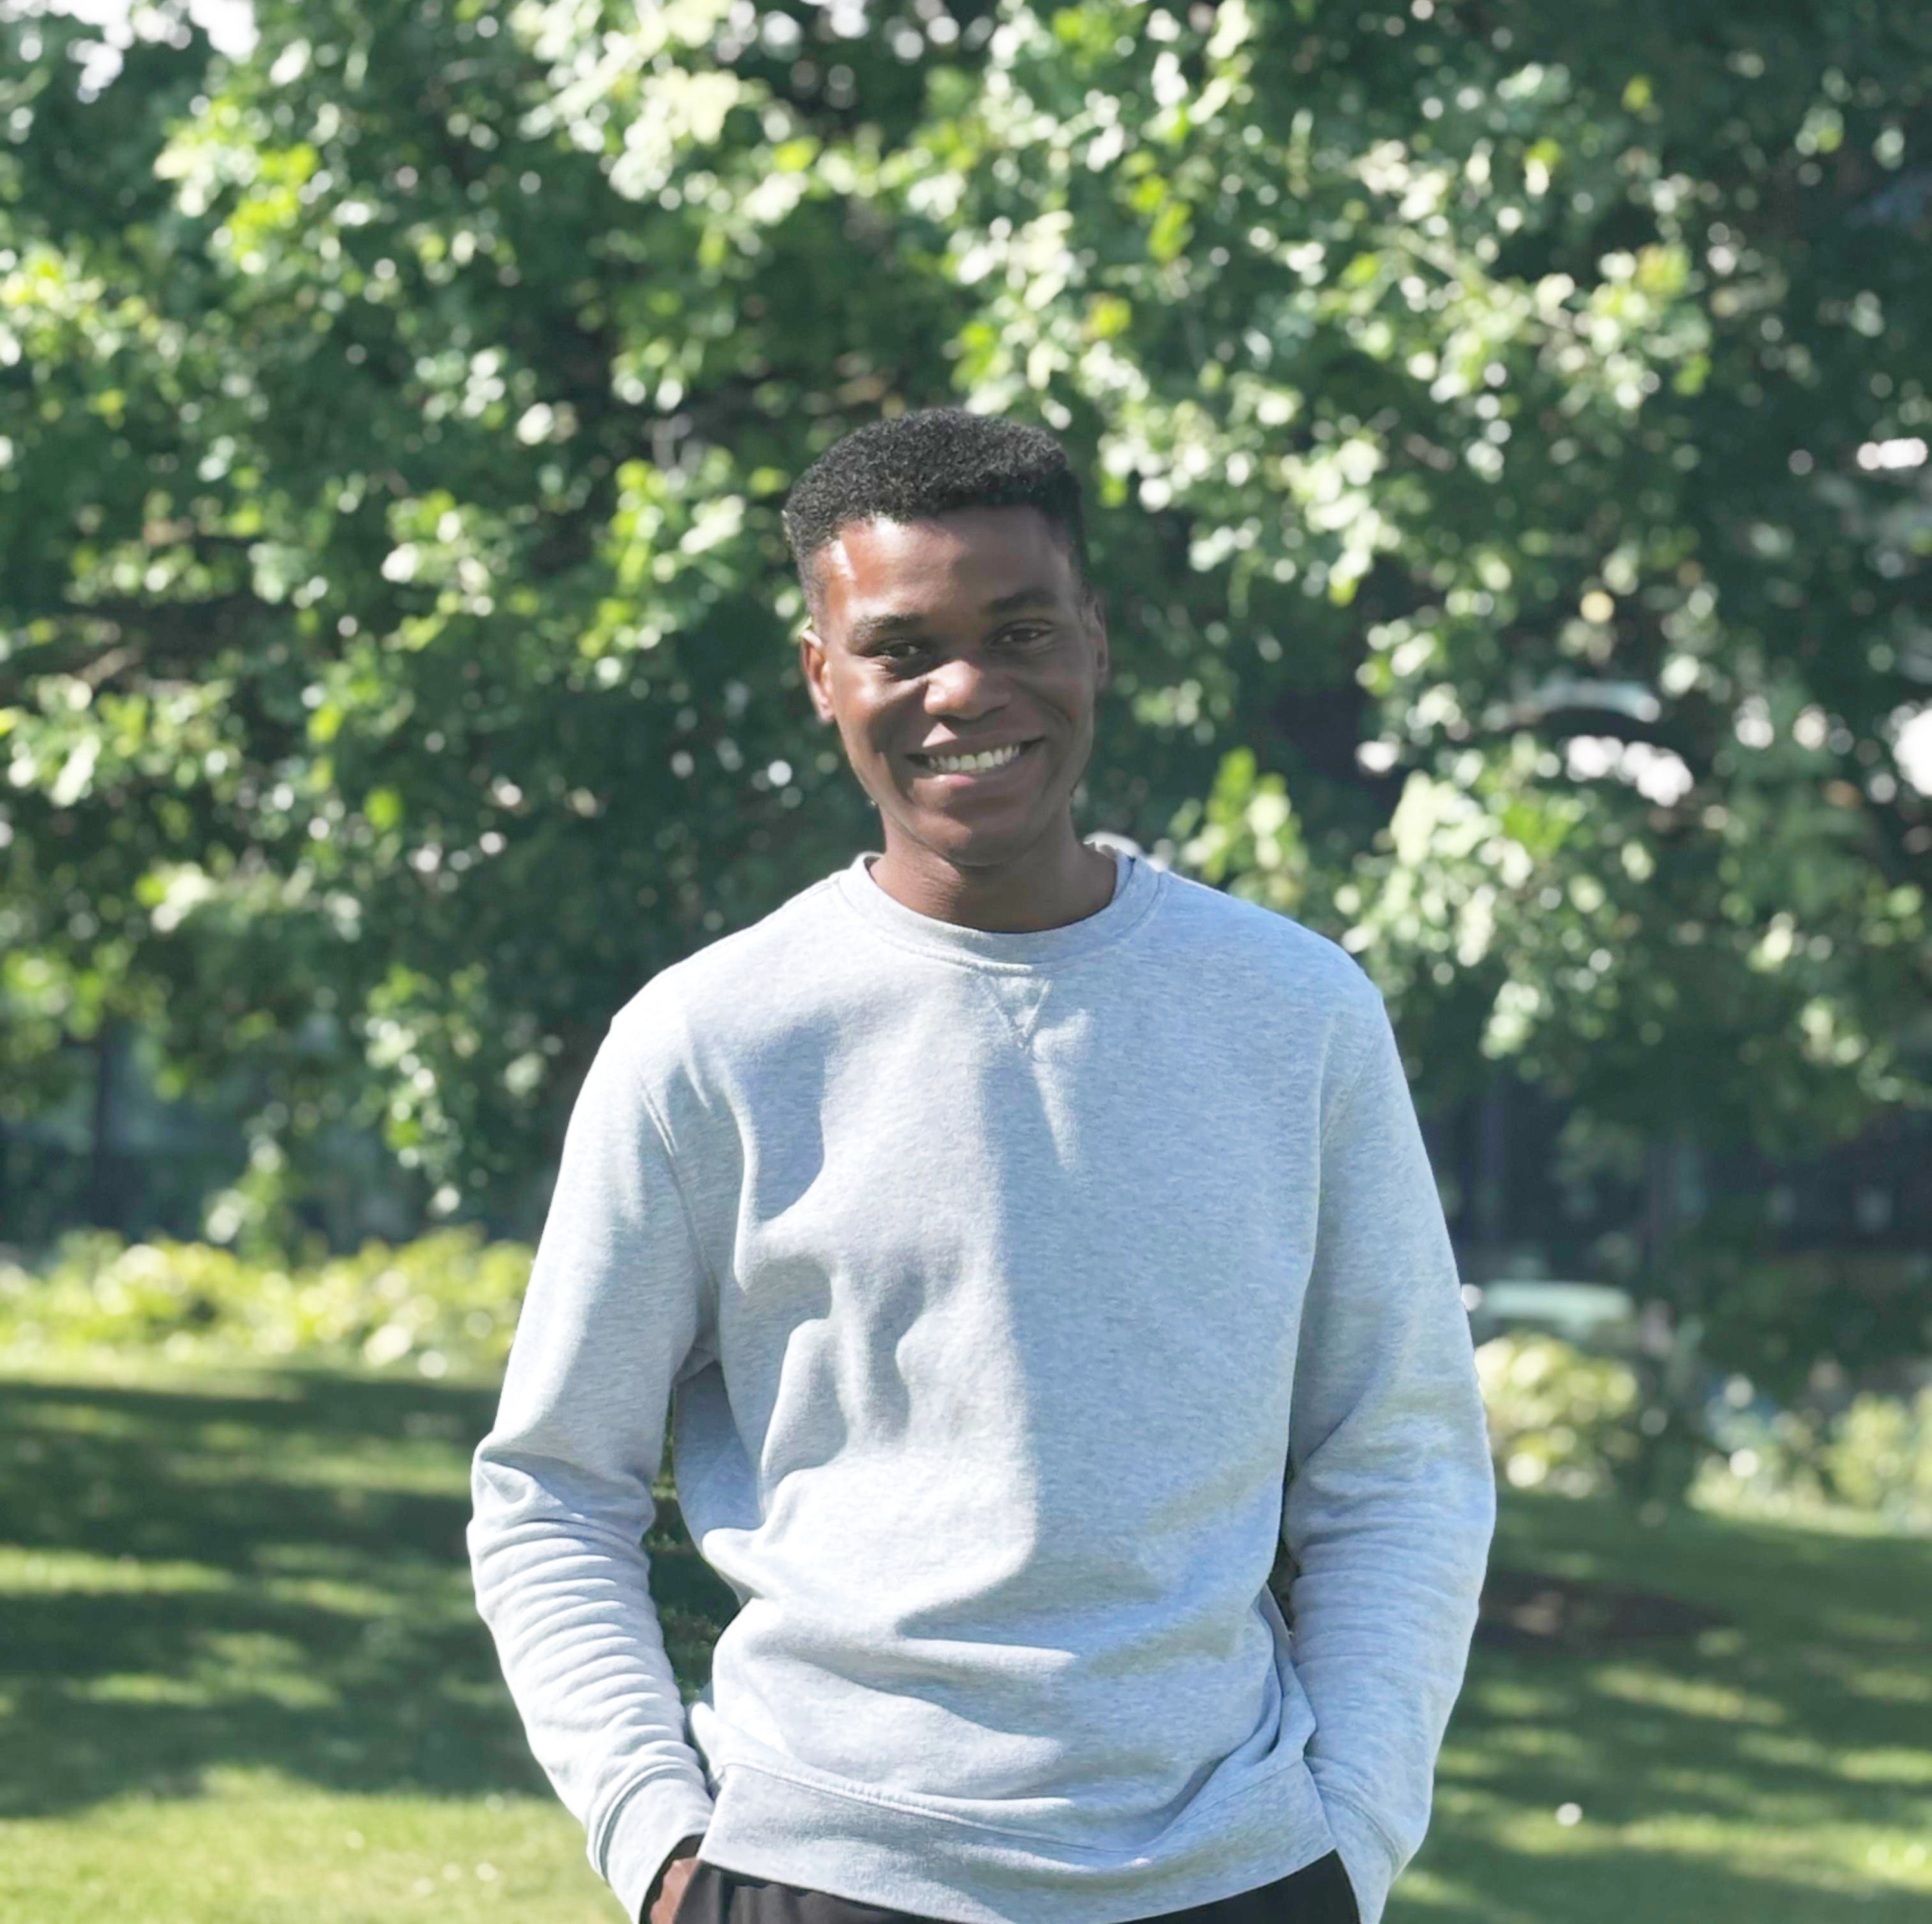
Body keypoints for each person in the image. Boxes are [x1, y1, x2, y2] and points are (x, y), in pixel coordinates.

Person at [468, 409, 1495, 1924]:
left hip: (1241, 1873)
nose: (967, 692)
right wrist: (656, 1848)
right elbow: (553, 1490)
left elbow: (1400, 1462)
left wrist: (1356, 1829)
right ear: (824, 673)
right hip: (820, 1873)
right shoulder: (710, 1040)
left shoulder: (1297, 1016)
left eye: (1020, 630)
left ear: (1097, 638)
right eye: (901, 646)